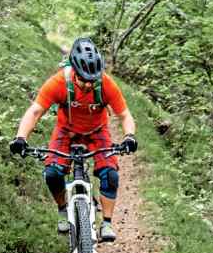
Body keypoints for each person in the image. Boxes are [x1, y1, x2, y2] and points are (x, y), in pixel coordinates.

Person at [9, 37, 137, 242]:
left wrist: (129, 136)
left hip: (97, 131)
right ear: (74, 71)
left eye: (92, 80)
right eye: (83, 79)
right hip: (66, 130)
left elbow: (124, 114)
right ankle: (63, 209)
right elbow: (35, 111)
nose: (88, 85)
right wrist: (20, 138)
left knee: (110, 174)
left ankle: (106, 223)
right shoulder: (59, 82)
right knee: (52, 173)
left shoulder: (105, 84)